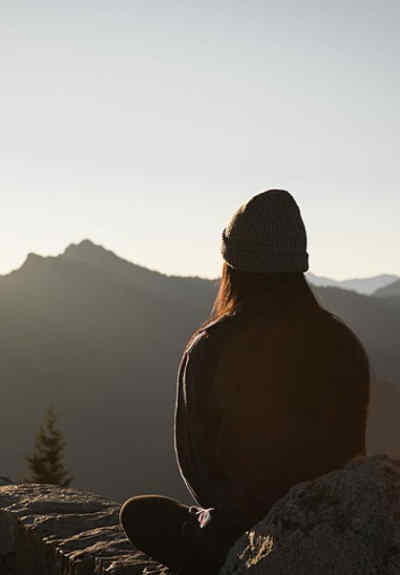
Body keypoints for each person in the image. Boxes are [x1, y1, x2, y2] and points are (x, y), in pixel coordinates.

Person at [120, 189, 371, 574]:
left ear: (231, 266)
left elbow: (197, 466)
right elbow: (352, 453)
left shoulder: (210, 347)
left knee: (140, 513)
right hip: (332, 525)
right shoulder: (342, 343)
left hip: (242, 534)